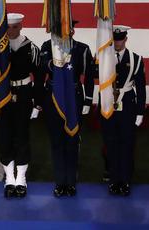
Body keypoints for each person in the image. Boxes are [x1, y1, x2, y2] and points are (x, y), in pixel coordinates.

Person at [39, 21, 95, 197]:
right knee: (56, 142)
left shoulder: (81, 49)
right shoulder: (47, 46)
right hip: (53, 98)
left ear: (72, 30)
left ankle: (70, 182)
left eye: (66, 29)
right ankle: (59, 182)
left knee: (71, 141)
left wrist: (87, 101)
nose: (64, 32)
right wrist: (38, 101)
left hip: (73, 98)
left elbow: (89, 75)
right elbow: (42, 69)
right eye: (59, 29)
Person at [0, 13, 41, 198]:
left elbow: (38, 77)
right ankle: (9, 179)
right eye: (8, 27)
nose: (11, 30)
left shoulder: (31, 48)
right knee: (5, 136)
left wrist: (37, 104)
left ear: (21, 26)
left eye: (15, 27)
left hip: (23, 95)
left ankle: (21, 178)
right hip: (4, 96)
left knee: (22, 136)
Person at [100, 25, 146, 197]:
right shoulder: (103, 57)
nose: (117, 42)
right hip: (107, 103)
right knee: (110, 143)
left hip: (127, 104)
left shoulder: (136, 59)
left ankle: (125, 181)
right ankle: (113, 180)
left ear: (125, 39)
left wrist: (140, 111)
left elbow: (140, 87)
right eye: (115, 39)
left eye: (120, 39)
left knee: (127, 144)